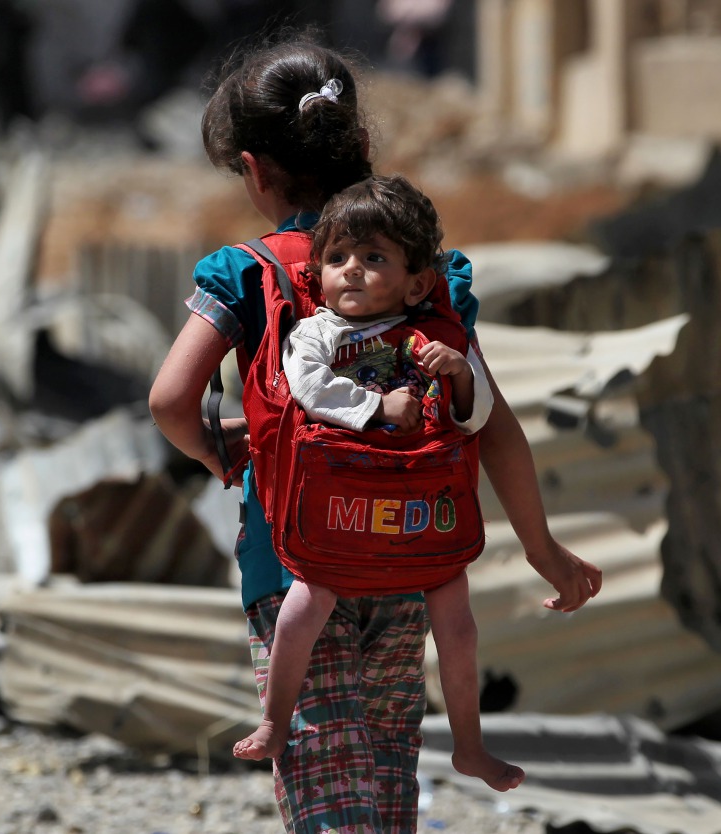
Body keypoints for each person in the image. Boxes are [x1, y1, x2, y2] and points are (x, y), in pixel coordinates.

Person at [148, 31, 602, 833]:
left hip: (294, 559)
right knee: (388, 758)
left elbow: (169, 401)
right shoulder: (424, 277)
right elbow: (490, 423)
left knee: (323, 768)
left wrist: (218, 449)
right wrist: (543, 549)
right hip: (410, 548)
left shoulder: (246, 272)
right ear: (359, 144)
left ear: (253, 170)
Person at [231, 173, 523, 795]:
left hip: (417, 510)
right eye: (336, 258)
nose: (352, 271)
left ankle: (470, 746)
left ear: (417, 282)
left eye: (373, 258)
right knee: (301, 609)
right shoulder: (316, 334)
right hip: (341, 510)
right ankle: (277, 722)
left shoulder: (434, 339)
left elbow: (474, 418)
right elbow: (308, 386)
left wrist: (459, 378)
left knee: (459, 623)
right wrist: (377, 408)